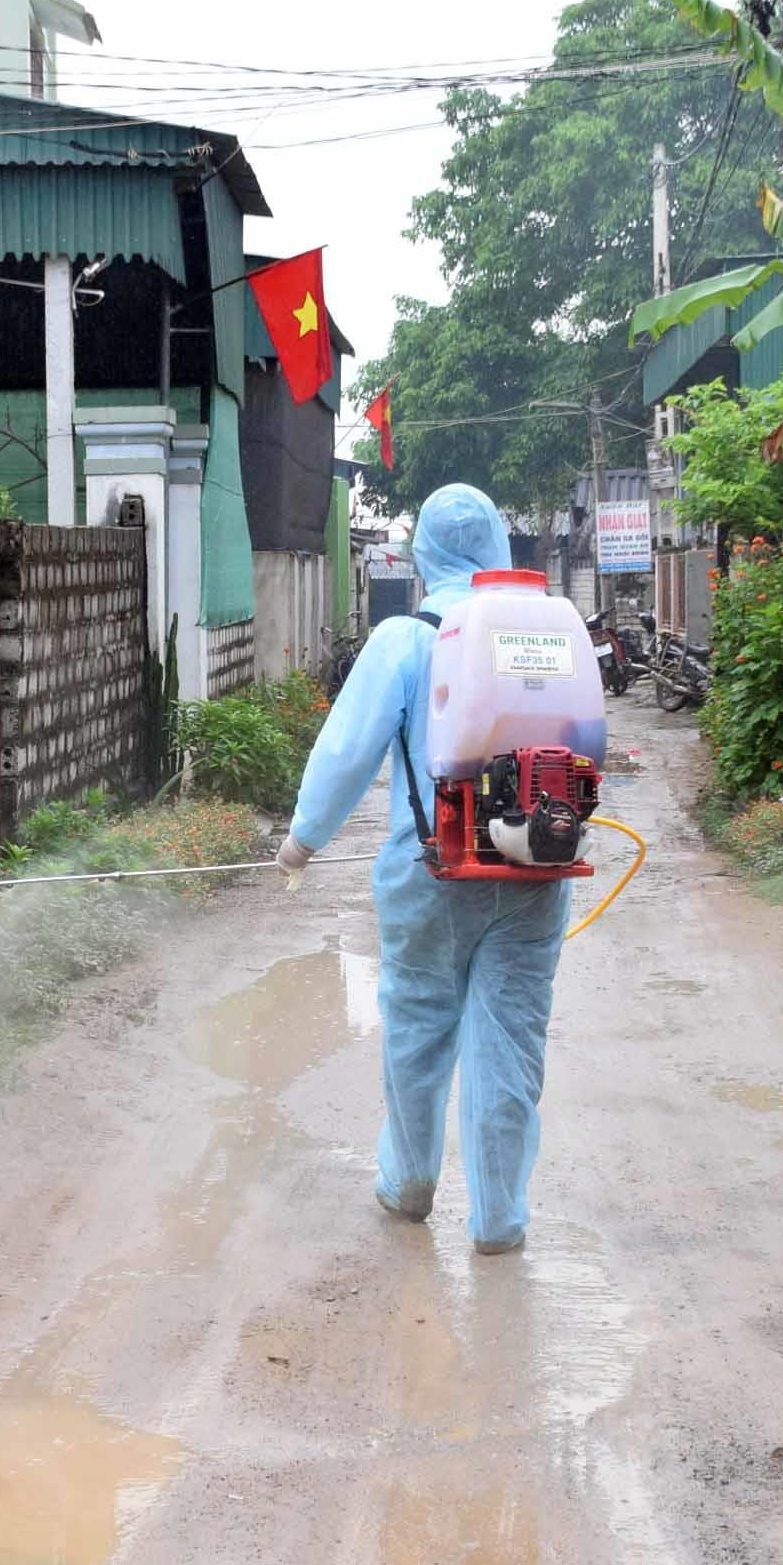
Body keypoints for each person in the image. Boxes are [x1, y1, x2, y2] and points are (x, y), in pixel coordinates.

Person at [275, 484, 567, 1255]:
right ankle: (500, 1217)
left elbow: (345, 752)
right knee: (511, 1041)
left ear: (422, 553)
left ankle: (409, 1182)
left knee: (416, 1028)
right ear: (503, 546)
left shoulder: (406, 639)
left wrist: (303, 839)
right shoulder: (546, 629)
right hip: (538, 868)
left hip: (431, 869)